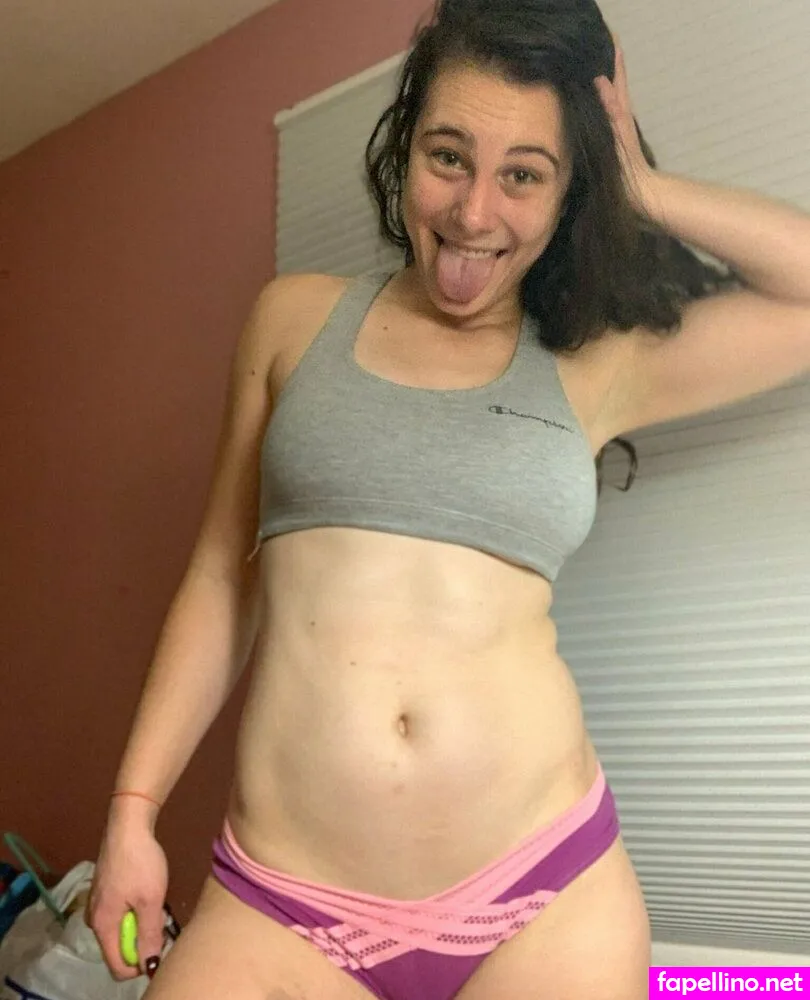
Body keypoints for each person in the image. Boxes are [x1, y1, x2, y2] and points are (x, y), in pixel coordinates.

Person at [88, 0, 810, 996]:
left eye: (525, 174)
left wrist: (640, 185)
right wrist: (133, 810)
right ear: (405, 150)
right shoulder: (292, 321)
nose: (474, 213)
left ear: (570, 191)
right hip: (284, 903)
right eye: (449, 157)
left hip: (545, 893)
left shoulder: (598, 363)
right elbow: (221, 577)